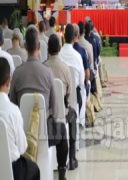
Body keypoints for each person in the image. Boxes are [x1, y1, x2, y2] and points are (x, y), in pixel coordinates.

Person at [9, 27, 68, 180]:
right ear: (39, 47)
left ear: (25, 47)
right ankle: (61, 172)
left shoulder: (17, 73)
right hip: (44, 133)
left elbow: (12, 104)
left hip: (21, 132)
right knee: (62, 130)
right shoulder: (47, 72)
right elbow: (55, 110)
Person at [0, 58, 40, 180]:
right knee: (34, 169)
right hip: (11, 169)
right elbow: (22, 148)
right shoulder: (13, 111)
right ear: (8, 81)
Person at [44, 34, 78, 170]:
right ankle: (72, 158)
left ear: (47, 49)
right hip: (62, 113)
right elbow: (69, 94)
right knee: (73, 115)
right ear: (59, 48)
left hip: (46, 112)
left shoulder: (43, 67)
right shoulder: (65, 68)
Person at [59, 24, 85, 114]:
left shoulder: (58, 55)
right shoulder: (77, 56)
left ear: (64, 36)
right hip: (74, 96)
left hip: (60, 96)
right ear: (74, 37)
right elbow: (81, 82)